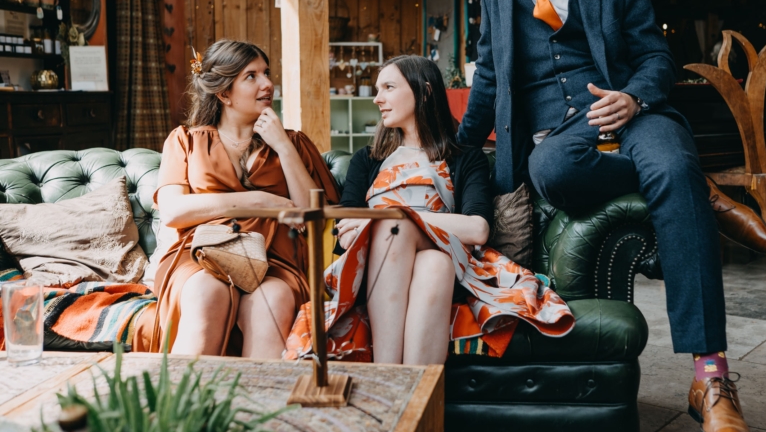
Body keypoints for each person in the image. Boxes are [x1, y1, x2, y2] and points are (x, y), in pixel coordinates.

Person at [459, 0, 766, 432]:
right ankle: (701, 195)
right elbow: (484, 84)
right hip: (562, 140)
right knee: (549, 165)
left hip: (634, 119)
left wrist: (632, 98)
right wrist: (451, 150)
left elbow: (657, 57)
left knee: (671, 163)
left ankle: (711, 379)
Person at [283, 55, 574, 364]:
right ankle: (406, 385)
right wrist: (394, 222)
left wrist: (403, 217)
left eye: (389, 87)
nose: (378, 99)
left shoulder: (465, 158)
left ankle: (393, 380)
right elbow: (346, 232)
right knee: (416, 246)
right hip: (372, 266)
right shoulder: (366, 159)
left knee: (407, 235)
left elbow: (478, 229)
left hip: (450, 260)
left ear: (424, 92)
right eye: (377, 89)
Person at [140, 39, 340, 358]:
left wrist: (283, 146)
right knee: (206, 293)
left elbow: (311, 213)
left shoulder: (293, 143)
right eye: (252, 76)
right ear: (224, 94)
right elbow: (174, 211)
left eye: (267, 73)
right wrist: (260, 202)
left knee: (273, 299)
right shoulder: (186, 141)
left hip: (275, 259)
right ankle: (179, 403)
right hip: (201, 255)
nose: (267, 83)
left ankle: (257, 404)